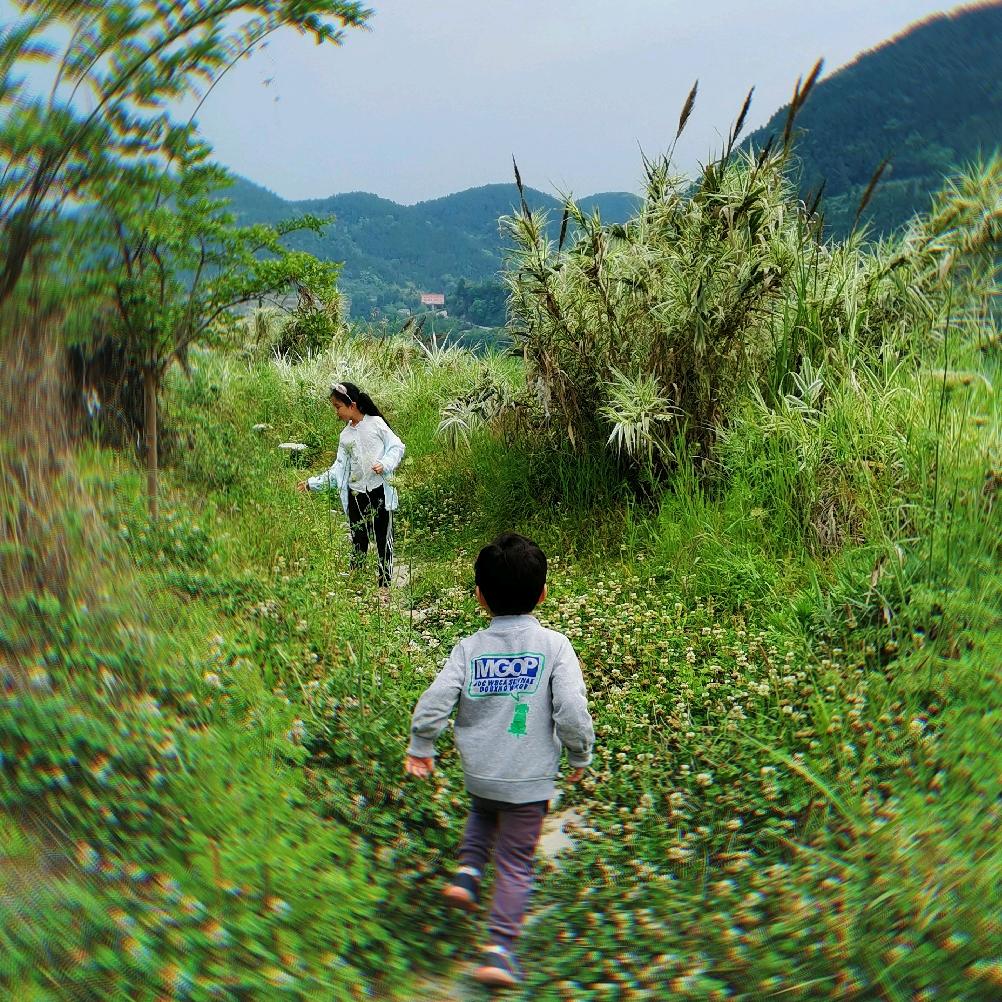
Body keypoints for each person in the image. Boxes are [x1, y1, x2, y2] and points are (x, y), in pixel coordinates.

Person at [405, 532, 595, 988]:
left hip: (480, 772)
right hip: (529, 781)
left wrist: (421, 746)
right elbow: (571, 708)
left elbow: (435, 700)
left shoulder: (468, 650)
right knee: (513, 863)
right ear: (543, 594)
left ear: (479, 597)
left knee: (484, 811)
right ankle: (499, 949)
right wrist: (580, 752)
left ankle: (468, 873)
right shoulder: (555, 647)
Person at [298, 381, 405, 596]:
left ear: (352, 404)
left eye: (338, 407)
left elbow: (397, 446)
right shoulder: (345, 436)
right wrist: (312, 483)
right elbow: (338, 469)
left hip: (378, 490)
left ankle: (384, 586)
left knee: (384, 538)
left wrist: (384, 464)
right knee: (358, 538)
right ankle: (356, 583)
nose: (336, 412)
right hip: (356, 493)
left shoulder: (376, 424)